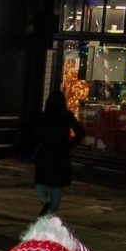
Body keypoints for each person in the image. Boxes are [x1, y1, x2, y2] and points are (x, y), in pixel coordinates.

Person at [32, 89, 83, 217]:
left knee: (41, 181)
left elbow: (35, 134)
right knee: (57, 185)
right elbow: (80, 132)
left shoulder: (44, 116)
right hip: (61, 154)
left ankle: (44, 201)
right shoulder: (67, 115)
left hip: (45, 153)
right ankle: (52, 209)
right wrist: (69, 144)